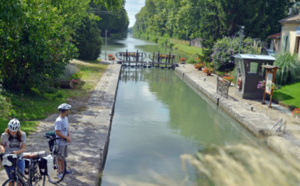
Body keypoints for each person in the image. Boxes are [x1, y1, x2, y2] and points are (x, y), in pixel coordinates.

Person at [55, 103, 73, 176]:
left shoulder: (66, 118)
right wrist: (66, 138)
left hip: (65, 141)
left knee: (64, 156)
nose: (68, 111)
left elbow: (67, 128)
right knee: (59, 158)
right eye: (67, 110)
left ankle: (64, 169)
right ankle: (59, 172)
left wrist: (69, 136)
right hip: (60, 142)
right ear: (64, 111)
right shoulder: (58, 121)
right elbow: (57, 132)